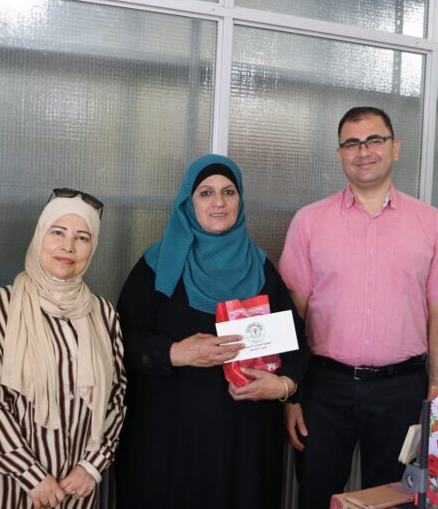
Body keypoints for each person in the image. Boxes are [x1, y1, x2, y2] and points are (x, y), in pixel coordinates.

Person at [278, 107, 438, 508]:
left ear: (395, 147)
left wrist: (435, 400)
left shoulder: (431, 223)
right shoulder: (309, 222)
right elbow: (292, 316)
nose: (363, 151)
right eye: (351, 143)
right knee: (316, 494)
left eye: (374, 140)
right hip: (323, 389)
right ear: (340, 154)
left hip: (401, 390)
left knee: (394, 500)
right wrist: (290, 396)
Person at [115, 154, 308, 509]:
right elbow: (120, 342)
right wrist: (175, 353)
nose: (218, 202)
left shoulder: (260, 268)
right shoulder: (156, 266)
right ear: (188, 202)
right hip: (170, 444)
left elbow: (296, 344)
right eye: (205, 193)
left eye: (228, 192)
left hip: (245, 447)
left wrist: (283, 386)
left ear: (240, 200)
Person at [0, 189, 126, 509]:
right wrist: (33, 477)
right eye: (58, 232)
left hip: (77, 491)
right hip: (8, 490)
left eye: (82, 237)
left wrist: (91, 467)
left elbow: (116, 396)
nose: (68, 246)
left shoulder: (104, 314)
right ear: (40, 236)